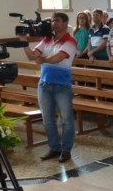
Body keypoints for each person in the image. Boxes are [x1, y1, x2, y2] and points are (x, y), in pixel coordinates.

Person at [21, 12, 77, 163]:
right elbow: (31, 56)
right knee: (47, 120)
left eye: (57, 21)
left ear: (65, 23)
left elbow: (56, 58)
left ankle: (66, 150)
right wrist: (24, 42)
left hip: (62, 86)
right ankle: (54, 147)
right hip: (44, 84)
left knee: (66, 119)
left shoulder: (70, 41)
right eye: (52, 21)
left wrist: (41, 59)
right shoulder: (46, 39)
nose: (54, 23)